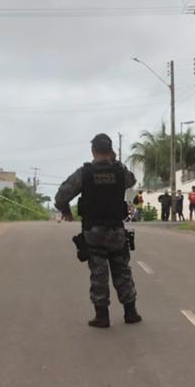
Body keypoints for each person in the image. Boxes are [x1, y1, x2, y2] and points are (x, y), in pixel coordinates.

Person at [54, 134, 142, 329]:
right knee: (122, 270)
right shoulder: (120, 172)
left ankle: (102, 316)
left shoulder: (85, 173)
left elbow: (61, 195)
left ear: (93, 150)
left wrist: (66, 212)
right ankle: (130, 312)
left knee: (98, 273)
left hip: (93, 231)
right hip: (116, 229)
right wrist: (116, 161)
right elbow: (132, 181)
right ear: (111, 151)